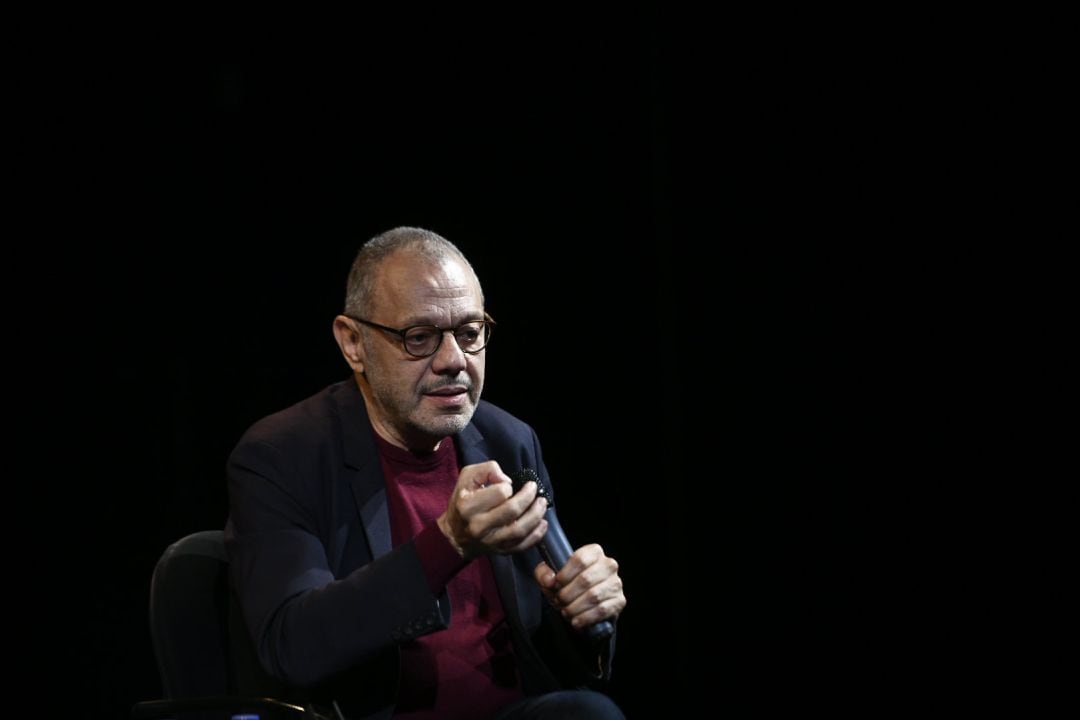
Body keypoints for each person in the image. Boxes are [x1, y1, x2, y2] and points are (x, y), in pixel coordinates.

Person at [224, 226, 627, 719]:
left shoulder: (508, 440)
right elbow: (293, 646)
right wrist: (449, 543)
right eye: (419, 338)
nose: (454, 361)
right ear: (353, 343)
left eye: (470, 333)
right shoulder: (283, 456)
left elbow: (549, 656)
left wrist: (580, 614)